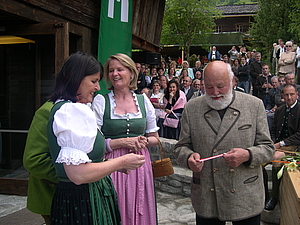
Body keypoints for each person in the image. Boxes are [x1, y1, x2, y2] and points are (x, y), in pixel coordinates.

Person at [47, 51, 145, 225]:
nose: (98, 87)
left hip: (82, 196)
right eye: (93, 81)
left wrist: (107, 166)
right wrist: (120, 162)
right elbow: (77, 174)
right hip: (83, 200)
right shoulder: (71, 111)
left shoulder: (69, 108)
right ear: (75, 79)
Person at [174, 61, 274, 225]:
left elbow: (268, 148)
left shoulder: (254, 105)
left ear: (233, 81)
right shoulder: (192, 108)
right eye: (209, 86)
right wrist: (189, 157)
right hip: (208, 194)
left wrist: (247, 155)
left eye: (221, 86)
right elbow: (180, 148)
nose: (215, 92)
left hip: (245, 193)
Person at [92, 53, 159, 225]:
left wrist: (143, 141)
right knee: (116, 209)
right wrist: (122, 142)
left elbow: (155, 138)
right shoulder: (101, 102)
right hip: (112, 165)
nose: (114, 74)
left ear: (131, 73)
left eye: (119, 69)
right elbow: (94, 142)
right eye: (111, 70)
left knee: (140, 210)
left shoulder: (143, 101)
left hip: (139, 165)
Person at [265, 84, 300, 210]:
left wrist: (280, 144)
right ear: (282, 96)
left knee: (276, 159)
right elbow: (273, 130)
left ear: (297, 94)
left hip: (294, 147)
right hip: (277, 145)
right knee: (258, 161)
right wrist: (273, 143)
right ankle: (264, 195)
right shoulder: (279, 110)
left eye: (291, 94)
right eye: (286, 94)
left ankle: (274, 197)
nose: (289, 97)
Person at [23, 101, 58, 225]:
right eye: (93, 81)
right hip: (52, 196)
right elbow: (34, 160)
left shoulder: (86, 107)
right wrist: (75, 176)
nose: (97, 87)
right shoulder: (48, 111)